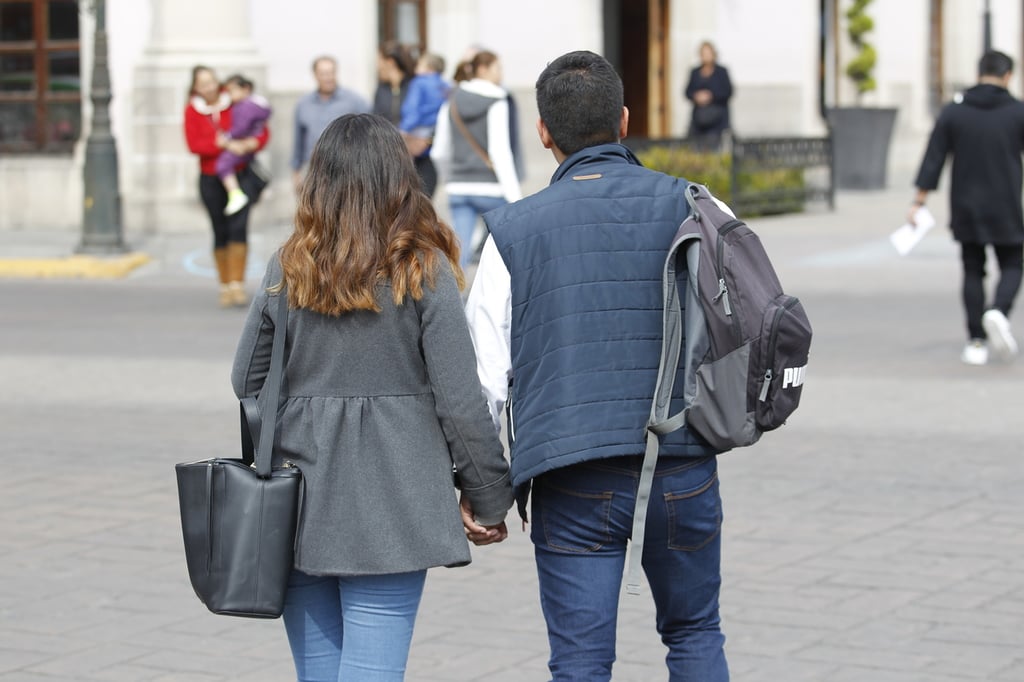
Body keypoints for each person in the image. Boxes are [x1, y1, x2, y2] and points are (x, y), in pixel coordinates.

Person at [464, 50, 730, 681]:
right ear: (625, 121)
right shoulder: (696, 204)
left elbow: (484, 377)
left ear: (543, 133)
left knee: (580, 662)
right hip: (681, 460)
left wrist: (483, 490)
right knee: (695, 632)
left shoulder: (511, 231)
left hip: (569, 473)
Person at [232, 113, 514, 682]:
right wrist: (487, 495)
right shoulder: (423, 268)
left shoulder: (288, 267)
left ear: (319, 182)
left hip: (300, 495)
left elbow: (246, 380)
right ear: (398, 178)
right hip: (396, 495)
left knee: (319, 673)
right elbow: (459, 400)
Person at [910, 49, 1024, 366]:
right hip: (1007, 205)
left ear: (978, 74)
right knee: (1013, 263)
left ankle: (976, 342)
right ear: (1008, 76)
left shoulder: (954, 112)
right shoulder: (1017, 112)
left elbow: (933, 159)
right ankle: (998, 311)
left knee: (973, 269)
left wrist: (918, 203)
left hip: (966, 205)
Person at [184, 65, 270, 307]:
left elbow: (259, 127)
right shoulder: (192, 110)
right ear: (196, 88)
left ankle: (237, 284)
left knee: (239, 227)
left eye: (212, 81)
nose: (209, 88)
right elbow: (194, 144)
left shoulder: (232, 101)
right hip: (210, 177)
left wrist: (251, 144)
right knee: (219, 229)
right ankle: (224, 284)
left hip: (238, 174)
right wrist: (222, 145)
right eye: (203, 84)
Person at [431, 50, 521, 269]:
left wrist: (450, 178)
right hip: (491, 188)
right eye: (497, 68)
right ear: (482, 69)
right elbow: (500, 152)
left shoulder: (451, 103)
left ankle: (456, 300)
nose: (501, 73)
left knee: (460, 250)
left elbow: (438, 151)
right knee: (509, 247)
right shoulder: (496, 101)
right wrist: (515, 196)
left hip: (459, 188)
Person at [291, 55, 370, 193]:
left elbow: (369, 131)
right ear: (315, 75)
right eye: (323, 73)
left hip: (346, 171)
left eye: (331, 72)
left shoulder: (354, 101)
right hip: (313, 170)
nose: (328, 77)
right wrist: (296, 171)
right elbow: (299, 139)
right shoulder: (304, 104)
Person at [217, 74, 272, 217]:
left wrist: (228, 138)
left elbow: (243, 128)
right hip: (242, 150)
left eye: (232, 91)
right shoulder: (253, 106)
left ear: (246, 89)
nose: (230, 95)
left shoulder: (244, 107)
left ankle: (235, 194)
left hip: (243, 158)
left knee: (223, 165)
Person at [399, 52, 450, 197]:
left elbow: (412, 109)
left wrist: (403, 130)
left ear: (428, 67)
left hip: (416, 132)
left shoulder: (419, 83)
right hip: (436, 135)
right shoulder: (446, 86)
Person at [685, 41, 733, 148]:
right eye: (703, 53)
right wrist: (696, 96)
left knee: (714, 150)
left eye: (708, 53)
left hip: (716, 121)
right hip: (699, 121)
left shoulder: (721, 71)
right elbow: (687, 92)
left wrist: (710, 96)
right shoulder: (695, 72)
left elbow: (728, 91)